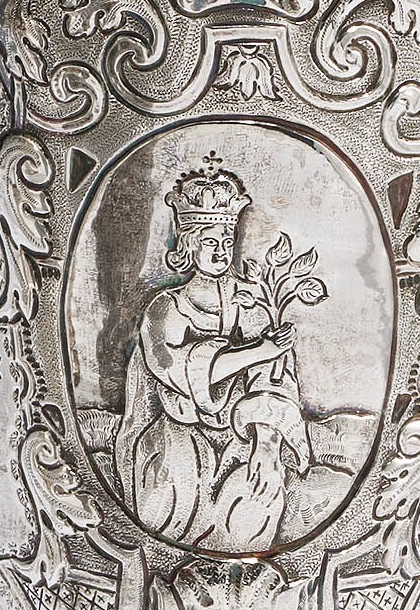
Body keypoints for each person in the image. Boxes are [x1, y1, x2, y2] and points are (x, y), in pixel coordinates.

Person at [113, 155, 311, 552]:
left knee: (260, 495)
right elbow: (176, 368)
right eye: (209, 242)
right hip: (180, 436)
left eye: (226, 241)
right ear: (188, 245)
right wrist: (258, 350)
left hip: (244, 437)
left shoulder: (252, 302)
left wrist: (266, 446)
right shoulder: (166, 308)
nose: (220, 251)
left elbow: (274, 381)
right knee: (169, 490)